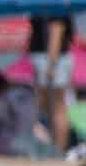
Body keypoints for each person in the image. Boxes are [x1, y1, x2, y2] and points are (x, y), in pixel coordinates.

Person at [28, 10, 76, 154]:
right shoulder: (58, 2)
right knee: (54, 107)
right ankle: (56, 148)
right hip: (54, 58)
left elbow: (56, 30)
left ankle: (57, 149)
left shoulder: (53, 3)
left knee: (55, 106)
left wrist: (51, 63)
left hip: (51, 59)